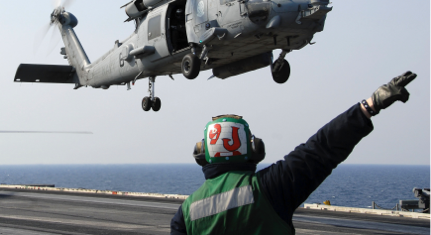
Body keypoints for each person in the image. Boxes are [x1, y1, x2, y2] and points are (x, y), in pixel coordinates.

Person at [170, 71, 417, 235]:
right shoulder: (272, 187)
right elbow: (322, 149)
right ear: (253, 150)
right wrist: (370, 105)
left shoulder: (186, 214)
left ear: (203, 154)